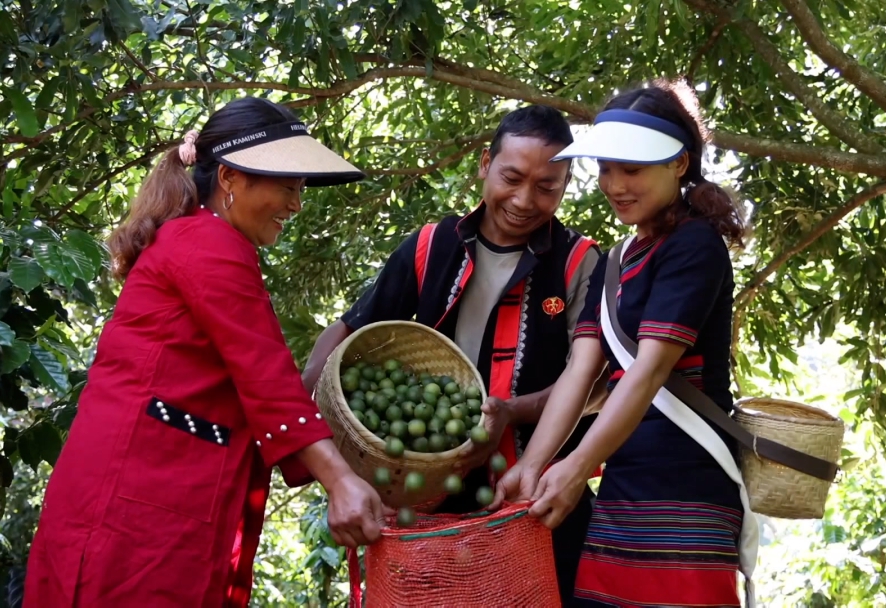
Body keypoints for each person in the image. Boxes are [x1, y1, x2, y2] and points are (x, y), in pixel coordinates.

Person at [24, 97, 389, 608]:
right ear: (231, 179)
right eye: (287, 188)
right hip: (133, 501)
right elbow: (265, 377)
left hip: (147, 492)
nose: (296, 205)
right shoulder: (207, 244)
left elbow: (252, 380)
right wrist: (340, 480)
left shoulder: (194, 240)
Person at [301, 104, 608, 603]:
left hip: (532, 491)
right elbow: (348, 327)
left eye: (547, 186)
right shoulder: (431, 245)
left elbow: (593, 384)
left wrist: (512, 412)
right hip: (426, 494)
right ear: (485, 164)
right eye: (512, 177)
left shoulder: (579, 261)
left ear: (566, 184)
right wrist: (303, 422)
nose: (525, 199)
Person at [494, 80, 759, 607]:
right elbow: (580, 370)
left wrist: (572, 469)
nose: (615, 185)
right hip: (623, 484)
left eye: (631, 169)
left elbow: (650, 372)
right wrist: (534, 464)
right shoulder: (617, 260)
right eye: (605, 170)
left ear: (679, 164)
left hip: (687, 489)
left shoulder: (694, 245)